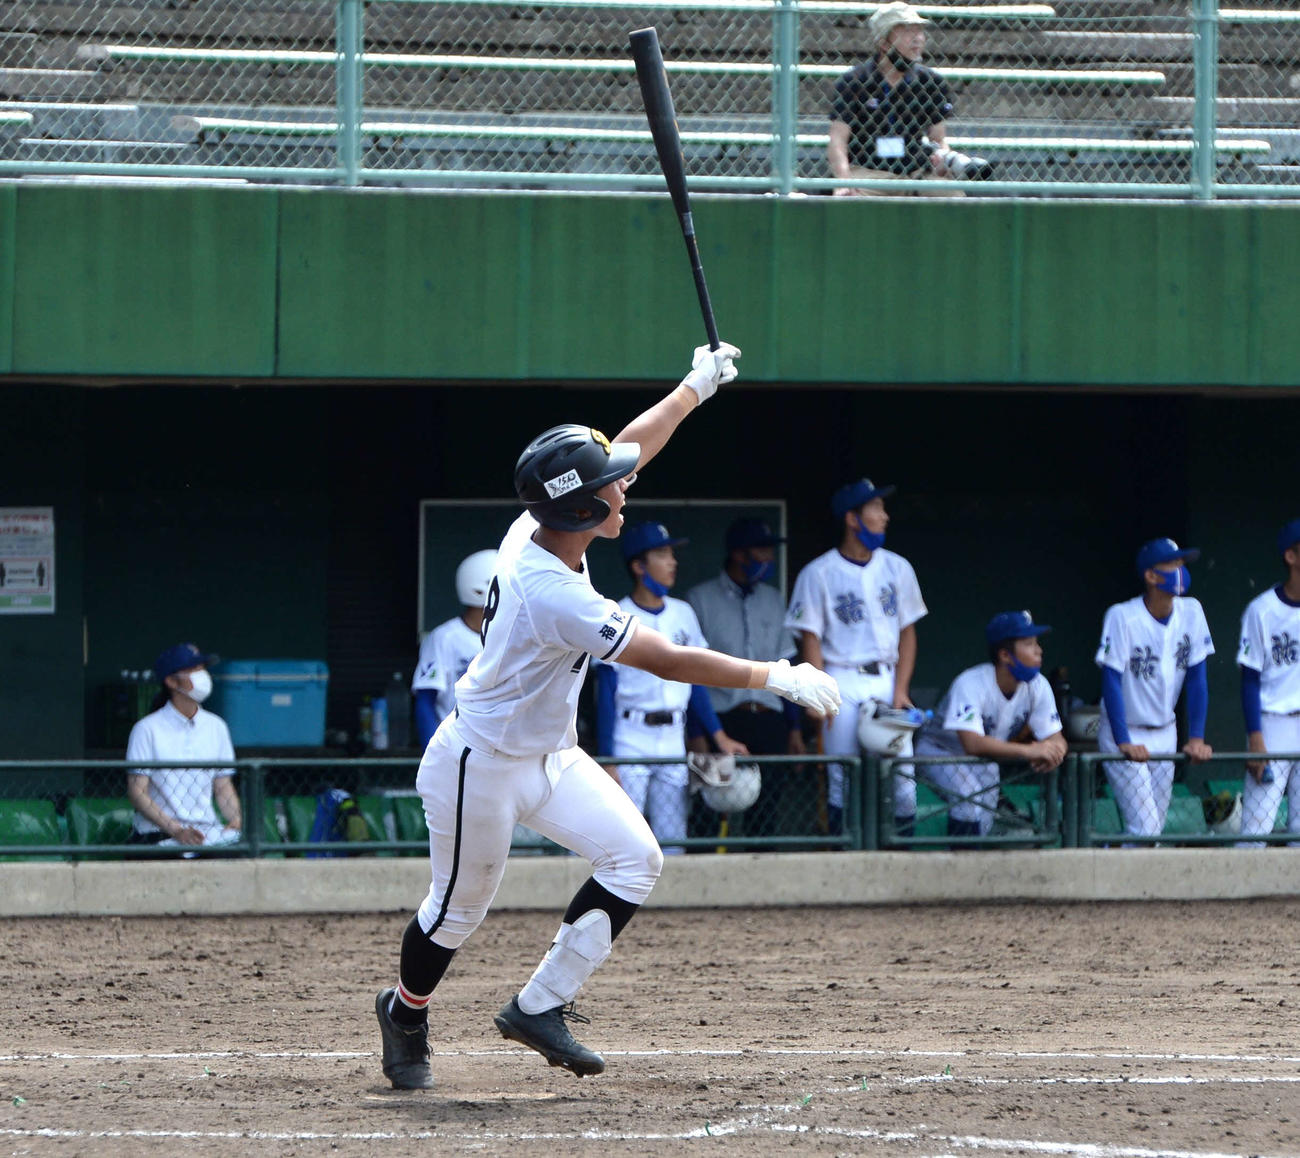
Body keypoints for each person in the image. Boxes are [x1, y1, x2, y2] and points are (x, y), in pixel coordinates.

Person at [374, 342, 841, 1091]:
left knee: (636, 859)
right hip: (480, 765)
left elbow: (631, 445)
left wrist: (695, 387)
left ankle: (540, 1005)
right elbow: (665, 657)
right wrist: (772, 674)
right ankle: (404, 1012)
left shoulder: (548, 525)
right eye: (611, 491)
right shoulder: (552, 591)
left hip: (551, 754)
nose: (625, 491)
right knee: (456, 914)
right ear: (584, 508)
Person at [593, 521, 748, 853]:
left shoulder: (683, 614)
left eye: (671, 554)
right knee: (625, 839)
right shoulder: (616, 614)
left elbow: (697, 682)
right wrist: (608, 757)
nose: (672, 562)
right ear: (638, 566)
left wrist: (719, 737)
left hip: (672, 736)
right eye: (662, 554)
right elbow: (604, 691)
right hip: (629, 735)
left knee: (673, 838)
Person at [786, 477, 927, 835]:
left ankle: (903, 855)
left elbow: (908, 632)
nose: (884, 516)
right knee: (842, 775)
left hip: (886, 676)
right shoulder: (818, 573)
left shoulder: (898, 567)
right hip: (841, 677)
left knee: (903, 777)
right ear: (853, 518)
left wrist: (901, 688)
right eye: (876, 508)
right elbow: (810, 639)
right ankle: (842, 856)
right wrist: (817, 694)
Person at [684, 517, 807, 836]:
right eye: (762, 550)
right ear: (740, 554)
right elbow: (689, 669)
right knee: (709, 810)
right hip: (722, 721)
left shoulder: (773, 598)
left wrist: (794, 727)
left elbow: (788, 664)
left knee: (767, 813)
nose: (768, 559)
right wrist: (699, 732)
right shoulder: (700, 599)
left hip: (769, 720)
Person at [1094, 538, 1214, 839]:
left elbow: (1198, 678)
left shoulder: (1192, 612)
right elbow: (1110, 680)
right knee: (1145, 829)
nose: (1181, 571)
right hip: (1126, 728)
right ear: (1150, 575)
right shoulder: (1122, 616)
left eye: (1182, 564)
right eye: (1172, 565)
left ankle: (1113, 866)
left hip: (1166, 729)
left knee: (1152, 832)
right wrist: (1123, 741)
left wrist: (1196, 737)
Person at [914, 610, 1067, 840]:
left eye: (1036, 643)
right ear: (1005, 655)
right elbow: (973, 744)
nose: (1039, 650)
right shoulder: (971, 683)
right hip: (938, 751)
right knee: (968, 797)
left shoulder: (1038, 685)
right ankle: (957, 867)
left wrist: (1055, 752)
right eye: (1028, 643)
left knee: (984, 816)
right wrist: (1031, 751)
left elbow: (1056, 737)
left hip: (982, 760)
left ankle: (969, 863)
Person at [828, 1, 981, 197]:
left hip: (916, 173)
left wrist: (943, 161)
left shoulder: (930, 82)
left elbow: (938, 138)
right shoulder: (854, 81)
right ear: (884, 42)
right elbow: (837, 140)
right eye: (908, 32)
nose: (918, 39)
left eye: (920, 31)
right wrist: (844, 180)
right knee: (848, 199)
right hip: (869, 174)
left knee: (954, 197)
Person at [125, 642, 241, 849]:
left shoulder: (216, 726)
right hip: (157, 833)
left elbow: (223, 787)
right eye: (192, 670)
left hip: (209, 832)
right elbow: (137, 792)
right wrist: (176, 830)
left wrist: (236, 819)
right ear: (171, 681)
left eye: (202, 668)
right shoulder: (146, 729)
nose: (201, 675)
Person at [1235, 517, 1300, 846]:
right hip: (1273, 723)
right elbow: (1249, 678)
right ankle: (1236, 898)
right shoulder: (1261, 610)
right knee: (1256, 829)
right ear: (1291, 556)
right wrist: (1256, 738)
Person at [411, 549, 499, 749]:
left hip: (499, 748)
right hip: (456, 746)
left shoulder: (511, 636)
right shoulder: (445, 638)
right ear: (481, 589)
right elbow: (425, 700)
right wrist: (433, 753)